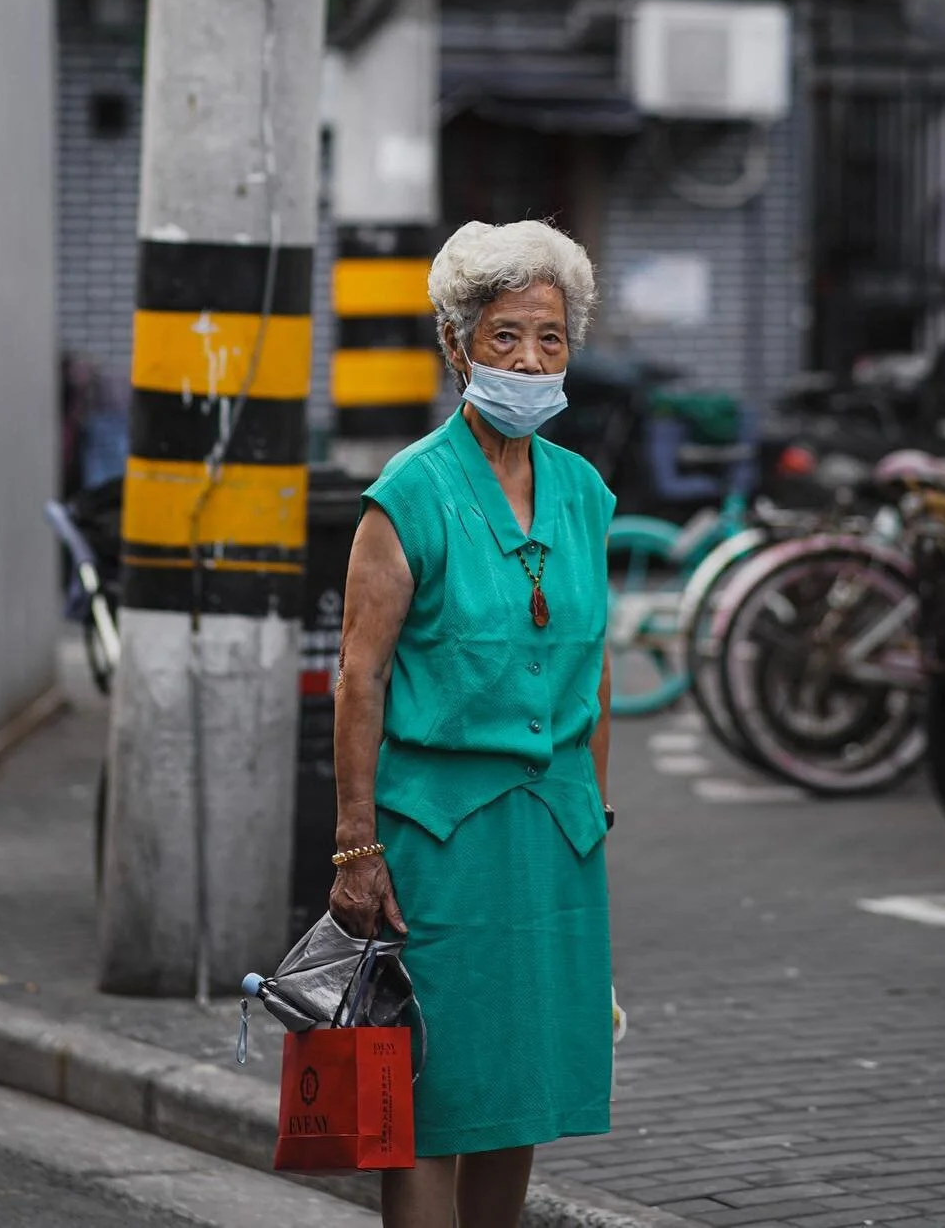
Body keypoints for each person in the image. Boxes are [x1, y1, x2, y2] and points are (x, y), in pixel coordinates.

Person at [330, 219, 616, 1228]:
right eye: (505, 335)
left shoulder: (582, 493)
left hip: (556, 837)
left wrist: (599, 814)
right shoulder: (408, 495)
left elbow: (596, 667)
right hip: (440, 839)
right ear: (456, 343)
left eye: (550, 336)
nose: (531, 358)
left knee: (521, 1082)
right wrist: (357, 844)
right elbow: (359, 676)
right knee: (432, 1095)